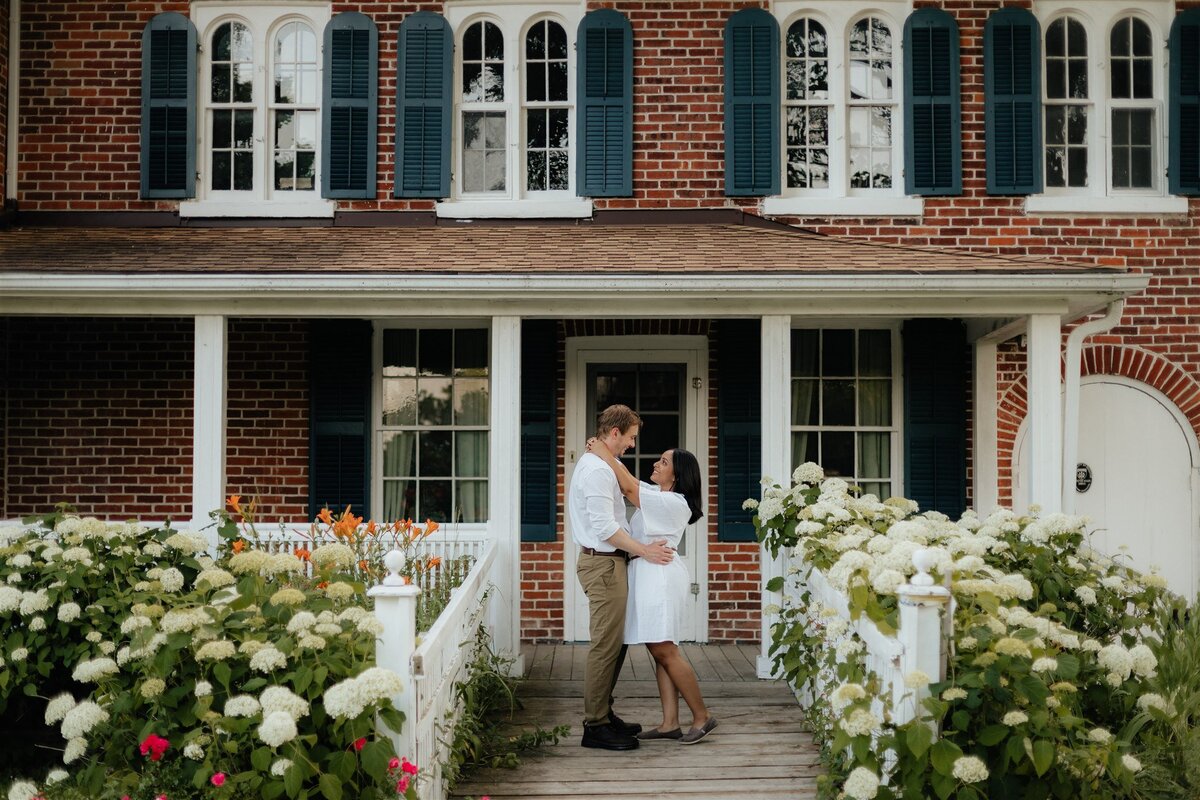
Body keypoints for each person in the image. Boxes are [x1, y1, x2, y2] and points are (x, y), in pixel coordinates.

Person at [586, 438, 718, 745]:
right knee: (658, 650)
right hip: (648, 573)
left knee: (664, 649)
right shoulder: (658, 495)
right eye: (658, 459)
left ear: (678, 475)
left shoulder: (674, 502)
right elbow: (628, 485)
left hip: (659, 576)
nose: (656, 465)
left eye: (664, 462)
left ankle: (701, 716)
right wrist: (606, 455)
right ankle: (670, 722)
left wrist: (603, 451)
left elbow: (630, 487)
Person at [568, 404, 675, 751]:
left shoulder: (602, 464)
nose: (632, 444)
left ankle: (603, 712)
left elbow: (633, 488)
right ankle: (595, 726)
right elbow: (606, 528)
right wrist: (645, 550)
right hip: (603, 564)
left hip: (611, 564)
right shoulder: (597, 471)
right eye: (630, 438)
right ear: (615, 433)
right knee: (605, 645)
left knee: (617, 643)